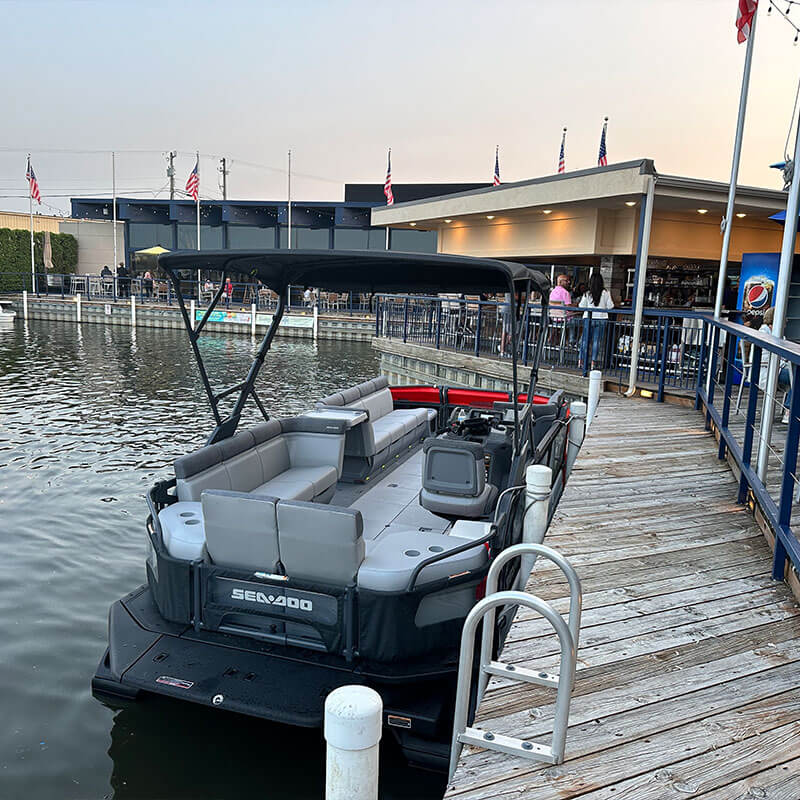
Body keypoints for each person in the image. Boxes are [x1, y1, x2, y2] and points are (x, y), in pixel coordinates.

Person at [759, 307, 792, 423]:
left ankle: (790, 409)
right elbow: (767, 358)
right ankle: (789, 410)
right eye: (784, 322)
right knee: (797, 377)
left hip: (777, 367)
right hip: (769, 369)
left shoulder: (777, 334)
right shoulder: (764, 334)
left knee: (796, 375)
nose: (785, 325)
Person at [578, 272, 614, 370]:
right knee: (596, 342)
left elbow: (581, 306)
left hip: (588, 318)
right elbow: (611, 306)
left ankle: (581, 360)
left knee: (585, 341)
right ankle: (593, 362)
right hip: (601, 319)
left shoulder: (587, 293)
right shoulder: (606, 292)